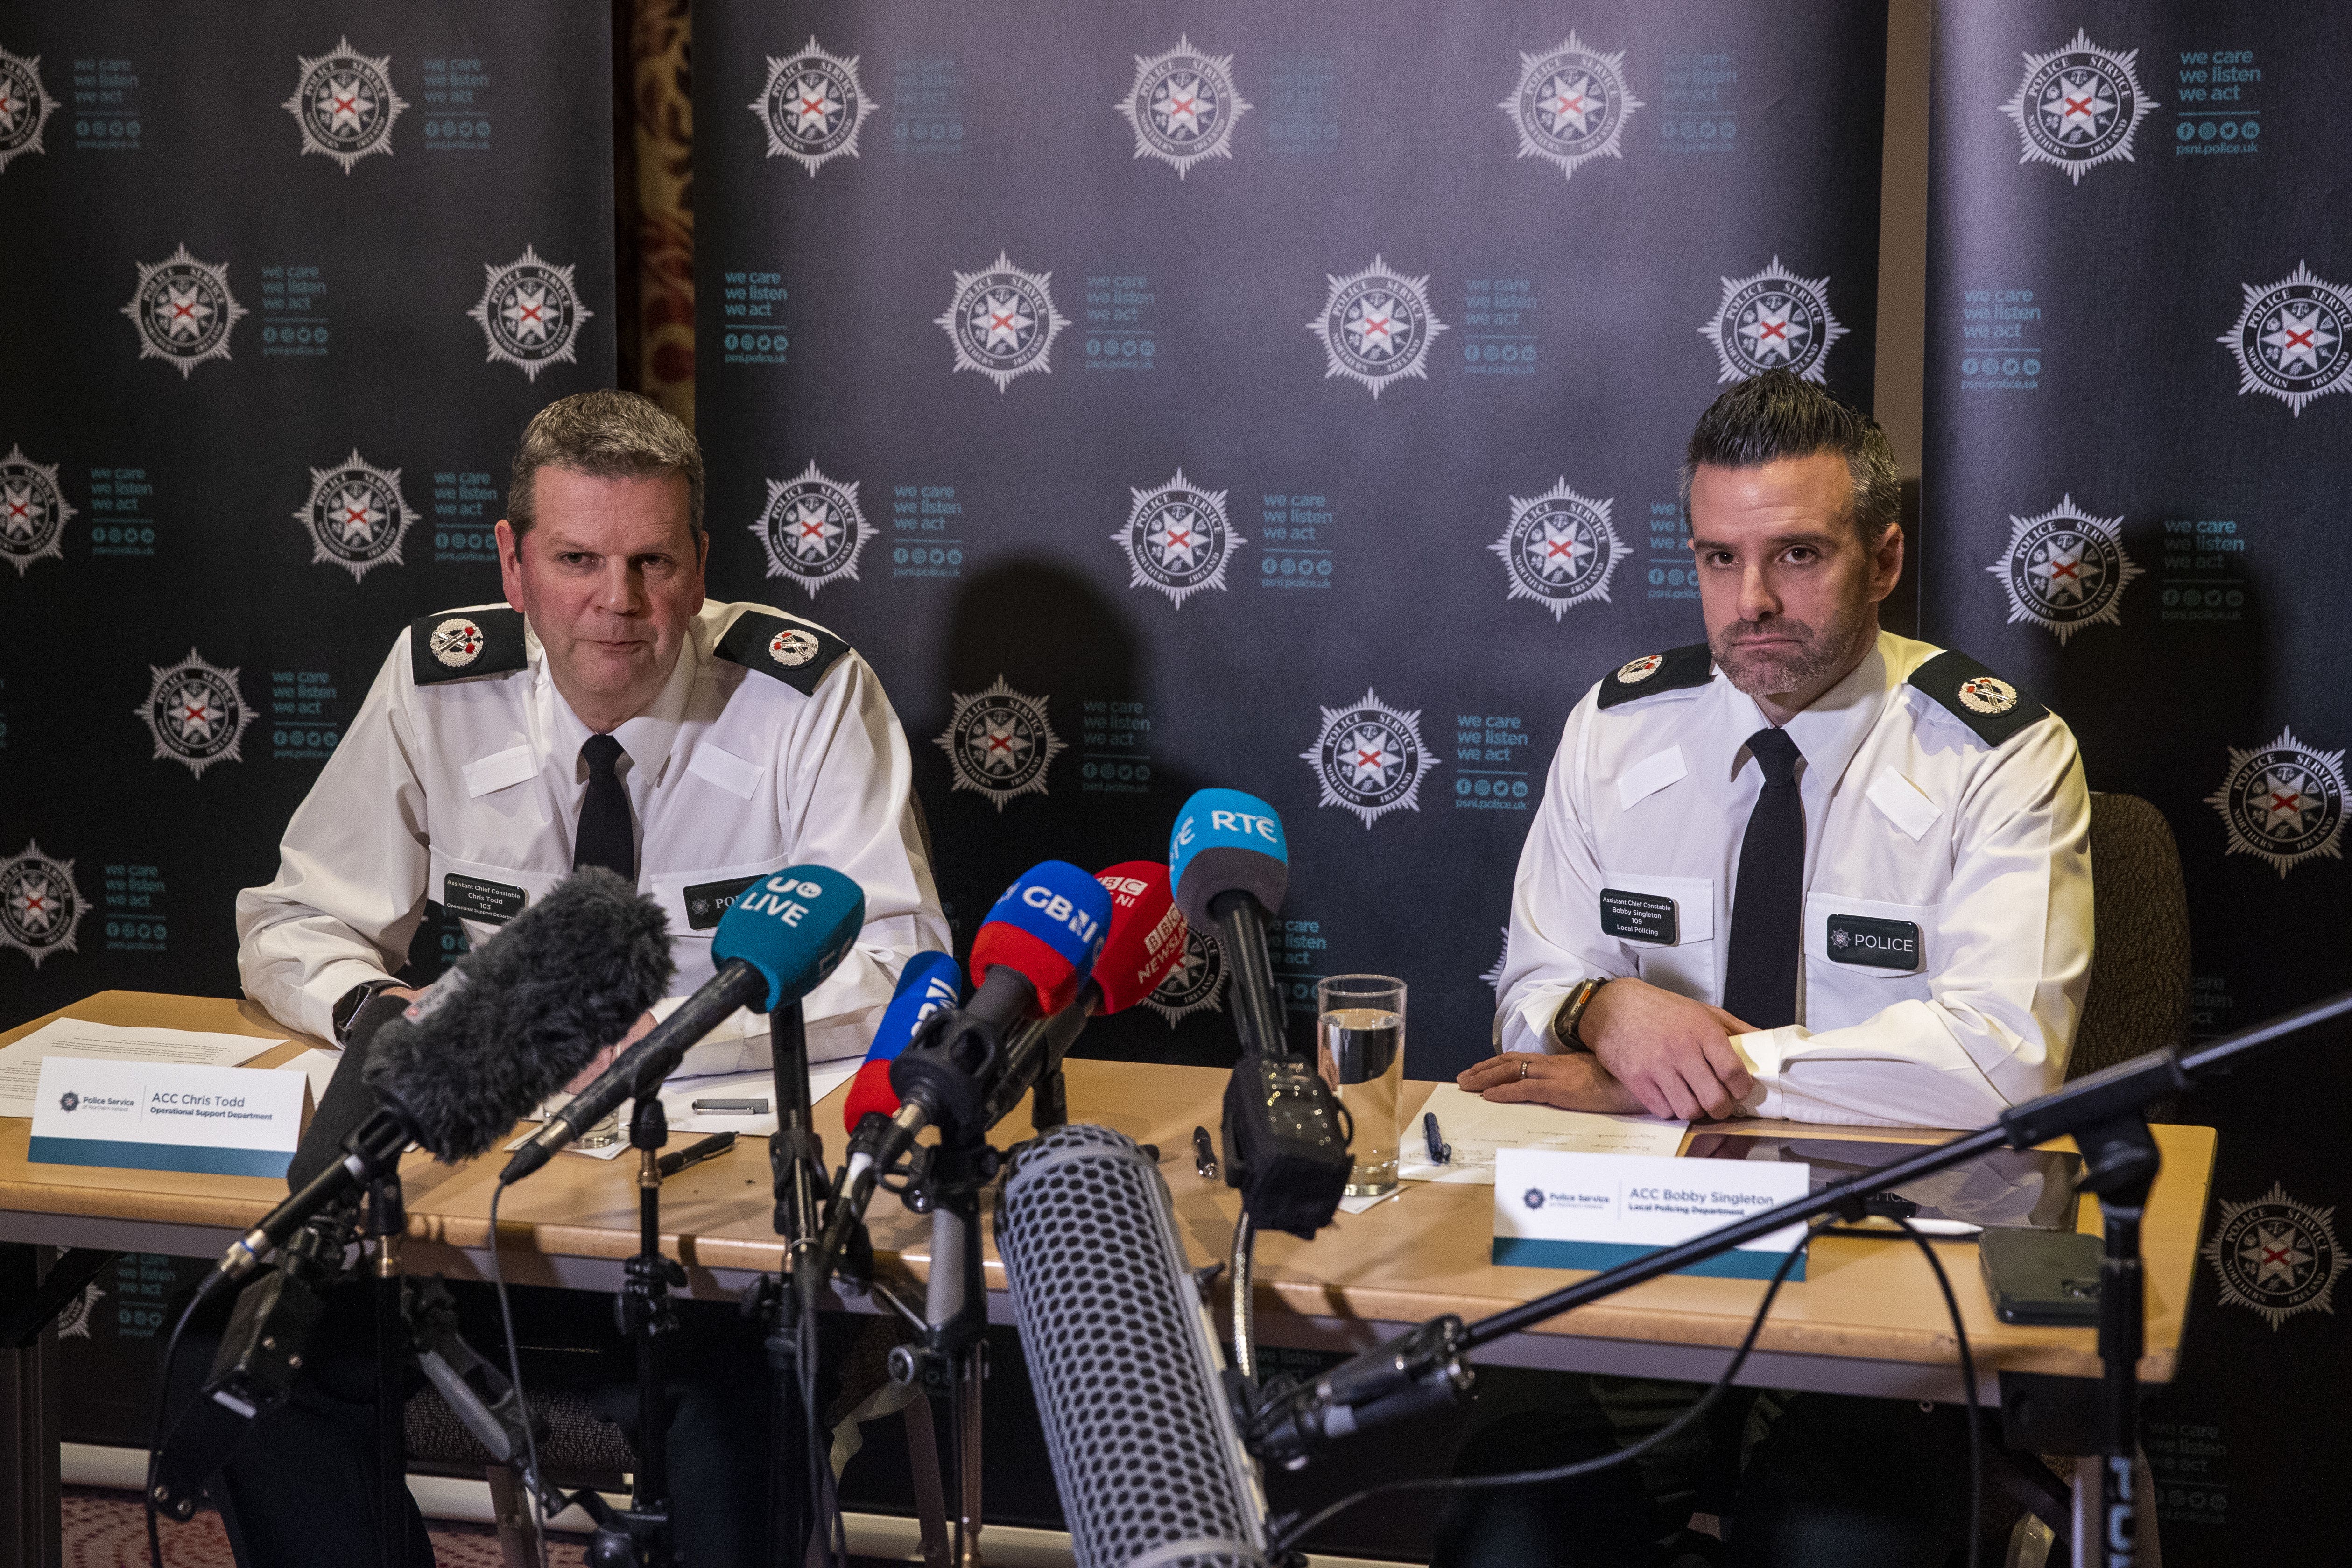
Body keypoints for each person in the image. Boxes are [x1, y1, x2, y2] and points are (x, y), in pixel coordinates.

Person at [204, 389, 950, 1567]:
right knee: (243, 1360)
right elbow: (296, 917)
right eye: (578, 559)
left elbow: (902, 963)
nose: (620, 601)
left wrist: (668, 1033)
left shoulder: (807, 697)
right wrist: (374, 1009)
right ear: (514, 564)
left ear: (699, 565)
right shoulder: (437, 681)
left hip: (714, 1229)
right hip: (482, 1206)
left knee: (737, 1402)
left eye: (654, 560)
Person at [1437, 371, 2091, 1568]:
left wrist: (1691, 1067)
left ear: (1882, 560)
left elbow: (1999, 1068)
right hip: (1637, 1255)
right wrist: (1602, 1007)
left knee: (1833, 1543)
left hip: (1892, 1259)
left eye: (1797, 555)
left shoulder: (1999, 755)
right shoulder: (1616, 724)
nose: (1751, 603)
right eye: (1717, 559)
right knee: (1510, 1538)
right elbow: (1530, 1001)